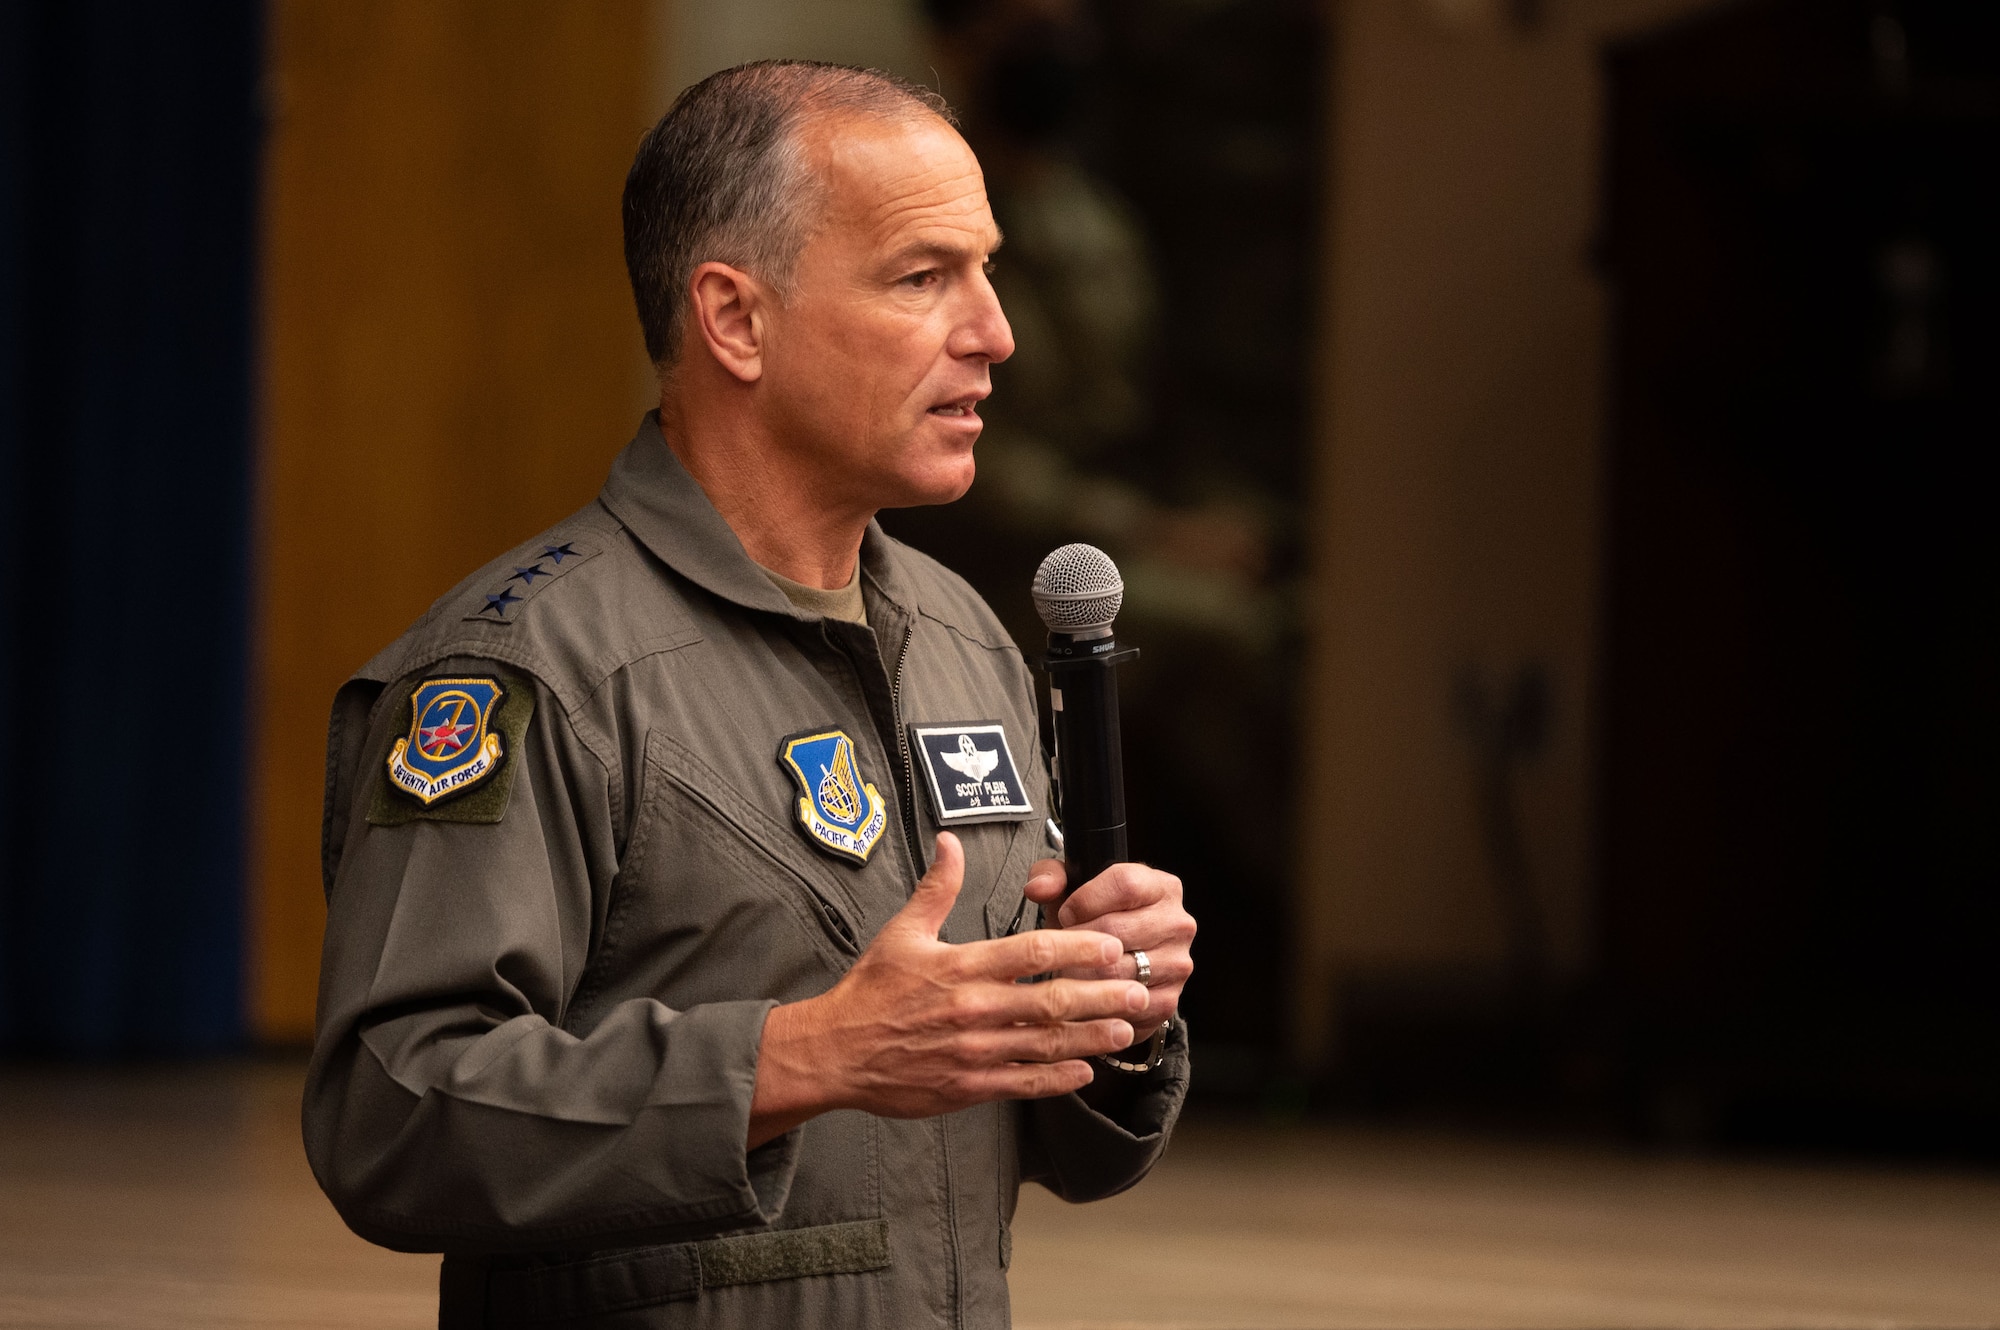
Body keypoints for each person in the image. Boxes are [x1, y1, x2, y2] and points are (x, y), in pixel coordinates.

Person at [304, 61, 1196, 1329]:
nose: (996, 331)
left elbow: (1038, 1145)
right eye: (921, 276)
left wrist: (1108, 1010)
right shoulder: (525, 671)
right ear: (734, 319)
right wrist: (803, 1058)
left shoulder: (963, 642)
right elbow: (391, 1116)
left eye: (987, 270)